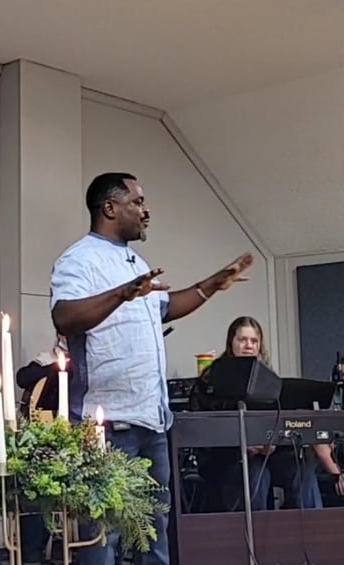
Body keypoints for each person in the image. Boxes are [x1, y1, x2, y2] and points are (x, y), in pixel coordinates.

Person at [50, 172, 254, 565]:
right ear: (110, 208)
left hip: (152, 421)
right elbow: (65, 317)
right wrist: (122, 293)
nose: (146, 211)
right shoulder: (79, 259)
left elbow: (166, 307)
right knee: (102, 539)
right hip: (106, 426)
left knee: (154, 534)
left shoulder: (136, 261)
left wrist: (213, 283)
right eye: (137, 202)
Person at [191, 316, 337, 511]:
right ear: (231, 343)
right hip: (227, 458)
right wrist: (242, 447)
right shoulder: (210, 379)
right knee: (257, 473)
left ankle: (312, 526)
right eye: (242, 340)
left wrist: (273, 443)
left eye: (254, 341)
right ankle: (257, 531)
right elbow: (205, 433)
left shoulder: (268, 381)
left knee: (301, 470)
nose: (248, 346)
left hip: (267, 455)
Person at [17, 331, 70, 416]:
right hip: (41, 416)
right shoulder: (46, 359)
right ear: (59, 335)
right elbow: (22, 379)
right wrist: (54, 367)